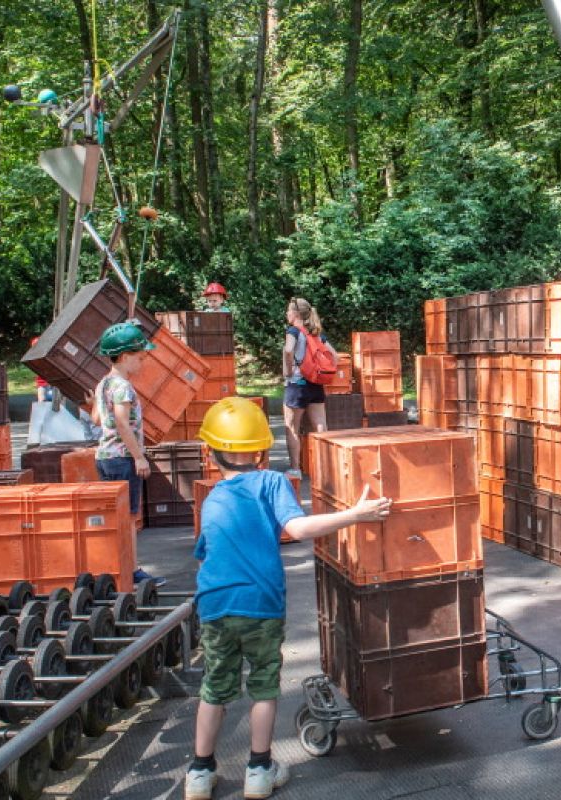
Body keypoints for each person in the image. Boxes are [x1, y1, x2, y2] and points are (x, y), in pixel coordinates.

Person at [184, 397, 392, 800]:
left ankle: (199, 772)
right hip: (261, 605)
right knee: (263, 686)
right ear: (262, 450)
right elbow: (297, 528)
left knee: (215, 687)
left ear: (212, 454)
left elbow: (205, 556)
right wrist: (355, 514)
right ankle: (259, 769)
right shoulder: (272, 482)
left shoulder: (211, 499)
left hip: (214, 607)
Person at [92, 322, 161, 587]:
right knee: (130, 517)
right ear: (124, 357)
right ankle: (132, 570)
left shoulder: (104, 383)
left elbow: (98, 418)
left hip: (105, 455)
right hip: (123, 457)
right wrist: (139, 457)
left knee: (116, 516)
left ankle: (116, 566)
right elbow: (122, 422)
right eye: (139, 357)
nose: (142, 362)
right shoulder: (122, 387)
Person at [282, 298, 333, 474]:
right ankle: (325, 467)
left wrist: (288, 371)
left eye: (288, 311)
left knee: (292, 426)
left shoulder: (294, 331)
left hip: (297, 384)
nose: (287, 314)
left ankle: (295, 469)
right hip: (315, 384)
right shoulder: (316, 333)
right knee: (320, 426)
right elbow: (335, 357)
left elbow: (289, 350)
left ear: (295, 314)